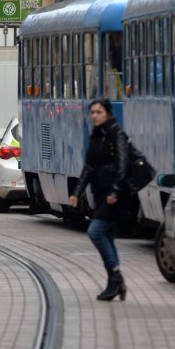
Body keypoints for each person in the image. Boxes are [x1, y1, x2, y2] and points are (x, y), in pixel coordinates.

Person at [69, 98, 129, 301]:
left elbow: (123, 167)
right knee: (108, 236)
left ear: (108, 114)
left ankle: (116, 277)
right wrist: (76, 192)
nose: (94, 116)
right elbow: (89, 166)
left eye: (99, 112)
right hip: (101, 193)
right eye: (92, 112)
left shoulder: (116, 134)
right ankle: (115, 282)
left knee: (96, 232)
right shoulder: (96, 135)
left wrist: (115, 192)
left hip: (114, 196)